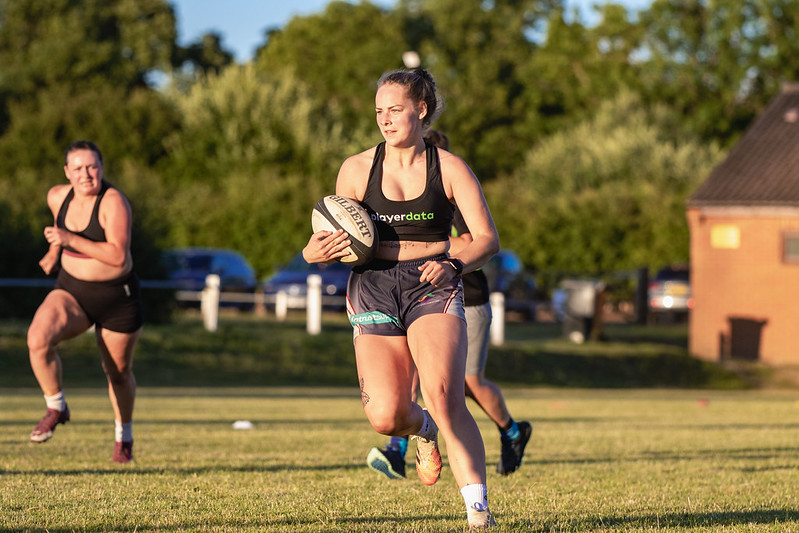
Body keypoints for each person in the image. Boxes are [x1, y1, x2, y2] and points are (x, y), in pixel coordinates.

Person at [303, 69, 500, 529]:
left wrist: (453, 263)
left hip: (433, 285)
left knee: (445, 393)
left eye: (395, 110)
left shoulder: (449, 168)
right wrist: (314, 251)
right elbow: (331, 239)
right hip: (372, 286)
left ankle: (478, 511)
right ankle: (423, 430)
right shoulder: (356, 169)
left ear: (421, 110)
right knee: (386, 416)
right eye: (379, 112)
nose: (385, 121)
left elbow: (486, 239)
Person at [366, 130, 532, 481]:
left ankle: (512, 431)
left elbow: (474, 241)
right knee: (410, 380)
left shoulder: (449, 196)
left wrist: (433, 248)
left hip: (465, 299)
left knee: (467, 383)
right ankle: (397, 451)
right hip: (416, 298)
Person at [27, 140, 143, 464]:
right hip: (72, 291)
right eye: (77, 168)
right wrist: (54, 252)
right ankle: (56, 405)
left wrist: (70, 240)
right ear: (67, 172)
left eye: (92, 167)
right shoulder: (56, 196)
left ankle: (124, 438)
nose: (86, 174)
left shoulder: (113, 203)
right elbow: (58, 231)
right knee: (37, 339)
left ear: (102, 169)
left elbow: (118, 256)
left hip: (116, 298)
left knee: (117, 373)